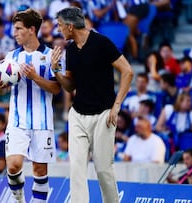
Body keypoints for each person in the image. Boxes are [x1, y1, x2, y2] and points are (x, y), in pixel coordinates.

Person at [52, 7, 133, 203]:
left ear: (70, 26)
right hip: (78, 114)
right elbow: (71, 87)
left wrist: (117, 106)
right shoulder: (70, 50)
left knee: (104, 169)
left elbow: (128, 71)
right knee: (76, 167)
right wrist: (56, 72)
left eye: (60, 25)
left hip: (103, 115)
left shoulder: (102, 43)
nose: (58, 29)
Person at [0, 8, 61, 203]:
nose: (14, 33)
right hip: (17, 121)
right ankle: (20, 199)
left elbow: (56, 89)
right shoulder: (11, 57)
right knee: (13, 166)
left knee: (40, 171)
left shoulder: (50, 56)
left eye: (18, 29)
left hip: (43, 121)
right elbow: (2, 90)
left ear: (32, 29)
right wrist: (0, 88)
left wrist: (34, 77)